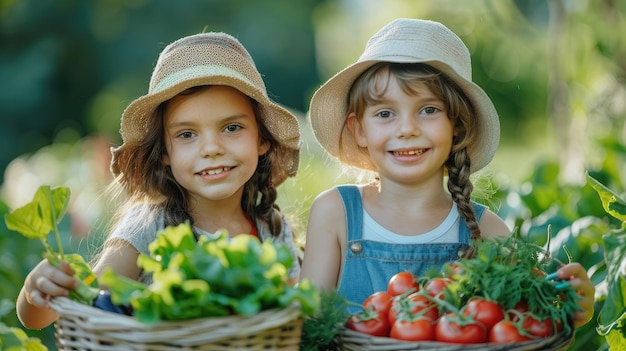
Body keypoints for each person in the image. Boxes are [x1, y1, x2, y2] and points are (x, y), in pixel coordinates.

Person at [300, 18, 594, 327]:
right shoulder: (336, 214)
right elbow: (308, 327)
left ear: (457, 125)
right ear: (358, 130)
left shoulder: (487, 232)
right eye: (385, 113)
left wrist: (570, 309)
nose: (407, 129)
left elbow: (527, 330)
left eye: (429, 110)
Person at [17, 31, 302, 330]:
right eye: (187, 134)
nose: (211, 148)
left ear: (262, 140)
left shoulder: (271, 228)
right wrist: (34, 294)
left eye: (231, 127)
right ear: (164, 152)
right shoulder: (150, 225)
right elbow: (81, 307)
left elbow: (293, 321)